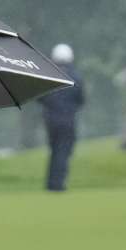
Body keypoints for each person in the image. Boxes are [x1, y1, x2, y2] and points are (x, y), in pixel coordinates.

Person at [41, 43, 85, 191]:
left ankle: (51, 183)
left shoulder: (49, 74)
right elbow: (81, 100)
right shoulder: (76, 77)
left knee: (54, 150)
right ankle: (58, 184)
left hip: (50, 120)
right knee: (63, 151)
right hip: (67, 119)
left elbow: (40, 97)